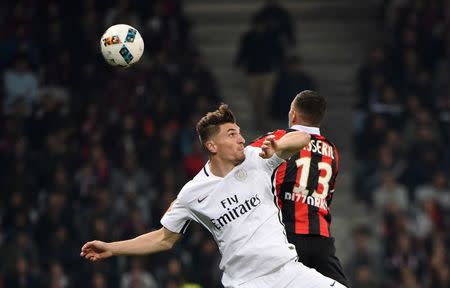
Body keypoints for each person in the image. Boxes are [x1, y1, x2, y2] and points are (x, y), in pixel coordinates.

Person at [81, 104, 346, 288]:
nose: (242, 139)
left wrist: (279, 145)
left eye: (240, 132)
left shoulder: (257, 160)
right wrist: (112, 248)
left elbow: (301, 138)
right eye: (232, 134)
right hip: (246, 283)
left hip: (289, 272)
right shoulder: (192, 193)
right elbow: (163, 239)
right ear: (211, 145)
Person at [251, 90, 349, 286]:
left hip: (286, 235)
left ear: (293, 114)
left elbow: (243, 162)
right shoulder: (332, 151)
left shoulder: (278, 138)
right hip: (321, 239)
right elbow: (328, 196)